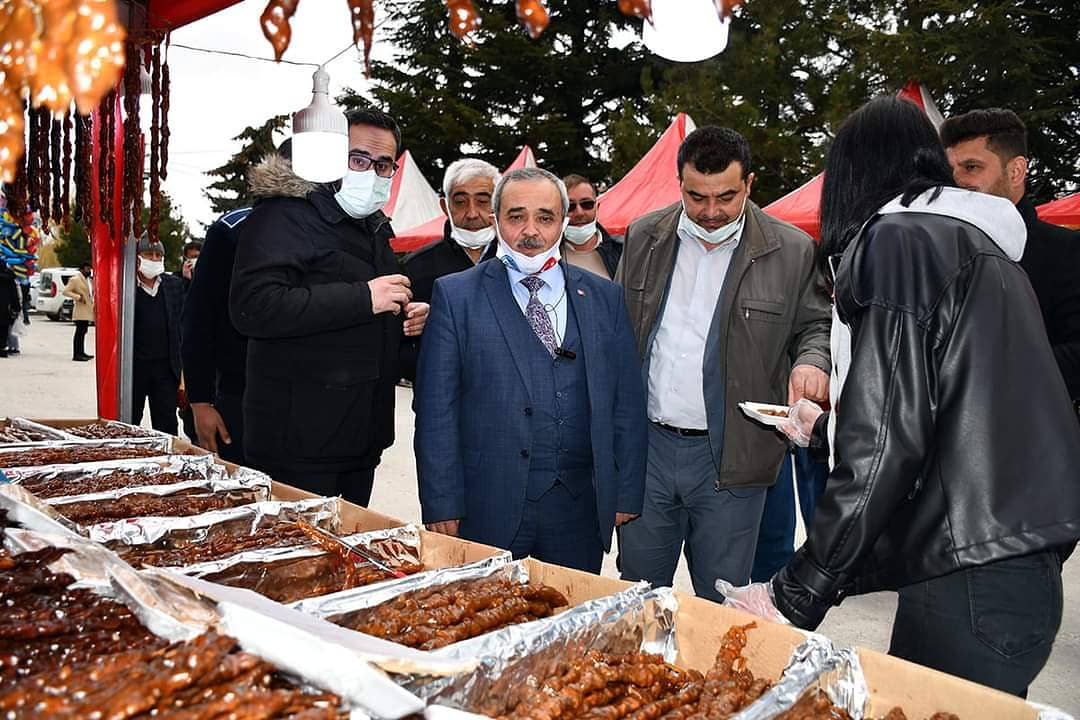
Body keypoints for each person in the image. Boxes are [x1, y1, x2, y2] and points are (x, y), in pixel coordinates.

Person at [733, 96, 1080, 698]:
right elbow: (950, 413)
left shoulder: (899, 239)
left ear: (851, 174)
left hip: (969, 573)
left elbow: (890, 439)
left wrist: (794, 591)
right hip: (1001, 562)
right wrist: (823, 431)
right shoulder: (973, 245)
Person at [615, 126, 831, 601]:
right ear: (680, 185)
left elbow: (816, 326)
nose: (711, 212)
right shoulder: (644, 235)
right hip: (647, 451)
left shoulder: (791, 249)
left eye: (726, 197)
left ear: (750, 184)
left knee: (723, 602)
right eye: (696, 197)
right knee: (637, 596)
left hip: (733, 460)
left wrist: (812, 361)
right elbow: (617, 330)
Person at [415, 167, 647, 573]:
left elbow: (626, 401)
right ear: (496, 220)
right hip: (489, 506)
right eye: (516, 216)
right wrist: (442, 501)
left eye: (544, 217)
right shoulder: (456, 295)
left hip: (578, 510)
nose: (530, 230)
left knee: (570, 623)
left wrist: (625, 493)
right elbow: (436, 411)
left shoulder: (603, 297)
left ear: (562, 221)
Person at [230, 109, 428, 507]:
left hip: (360, 440)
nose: (370, 172)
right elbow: (253, 305)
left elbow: (369, 321)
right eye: (358, 159)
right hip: (296, 444)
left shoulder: (372, 227)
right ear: (329, 158)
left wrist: (408, 321)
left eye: (383, 164)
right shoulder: (284, 214)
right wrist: (364, 298)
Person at [940, 108, 1080, 404]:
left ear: (1016, 171)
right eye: (951, 170)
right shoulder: (941, 253)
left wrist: (982, 375)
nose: (957, 181)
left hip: (1038, 438)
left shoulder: (1065, 250)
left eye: (972, 167)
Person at [400, 158, 500, 381]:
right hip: (440, 396)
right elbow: (399, 345)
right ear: (445, 207)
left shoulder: (520, 263)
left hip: (508, 400)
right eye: (461, 202)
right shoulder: (416, 265)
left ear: (499, 204)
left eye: (483, 201)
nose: (472, 213)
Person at [131, 234, 185, 434]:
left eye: (157, 255)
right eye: (148, 254)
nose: (153, 259)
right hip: (135, 368)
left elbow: (182, 323)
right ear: (137, 257)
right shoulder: (126, 286)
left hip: (165, 368)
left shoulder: (173, 285)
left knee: (167, 423)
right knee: (130, 420)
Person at [560, 174, 622, 279]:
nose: (579, 212)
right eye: (570, 207)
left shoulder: (621, 251)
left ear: (597, 207)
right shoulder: (545, 256)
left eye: (587, 204)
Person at [62, 261, 94, 362]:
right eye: (87, 269)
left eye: (90, 269)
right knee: (79, 333)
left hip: (87, 309)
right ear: (81, 269)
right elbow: (66, 291)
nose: (89, 271)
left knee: (83, 331)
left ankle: (82, 352)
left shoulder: (89, 280)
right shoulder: (75, 279)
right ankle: (77, 354)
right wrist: (78, 297)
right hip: (80, 310)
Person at [0, 263, 18, 359]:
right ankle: (2, 349)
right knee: (3, 329)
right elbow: (14, 295)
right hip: (4, 308)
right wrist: (16, 308)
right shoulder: (9, 279)